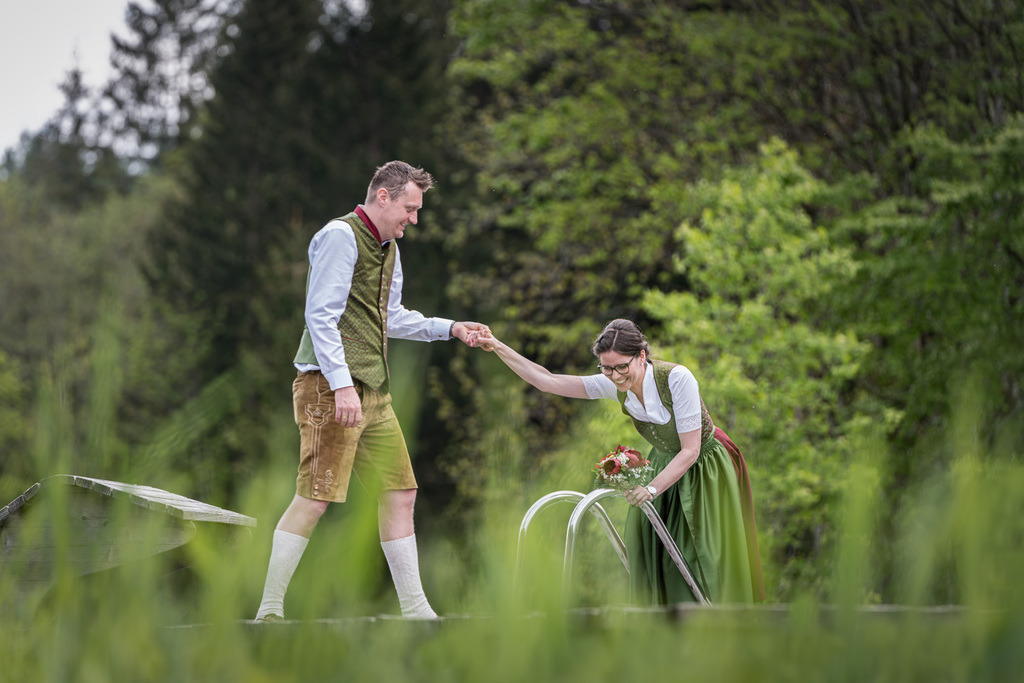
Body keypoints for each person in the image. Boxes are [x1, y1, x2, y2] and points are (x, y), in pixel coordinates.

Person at [255, 161, 488, 621]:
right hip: (328, 388)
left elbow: (392, 317)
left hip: (373, 392)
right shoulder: (339, 237)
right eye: (409, 208)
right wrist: (342, 388)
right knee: (315, 497)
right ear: (383, 196)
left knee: (400, 492)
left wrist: (451, 328)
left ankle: (416, 610)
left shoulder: (389, 249)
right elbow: (320, 316)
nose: (413, 220)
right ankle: (269, 609)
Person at [477, 319, 764, 604]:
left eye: (621, 367)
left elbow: (690, 450)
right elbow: (548, 381)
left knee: (707, 553)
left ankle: (723, 621)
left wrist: (651, 489)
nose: (614, 376)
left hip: (705, 466)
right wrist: (498, 347)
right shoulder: (614, 384)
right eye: (606, 367)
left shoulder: (677, 378)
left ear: (641, 356)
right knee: (656, 550)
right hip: (665, 465)